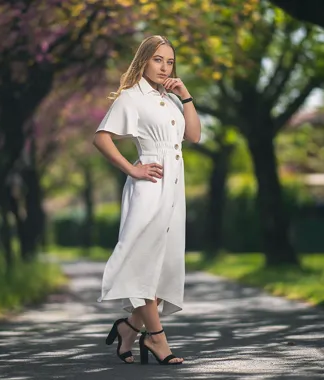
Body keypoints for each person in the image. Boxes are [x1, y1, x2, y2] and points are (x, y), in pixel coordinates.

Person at [93, 35, 201, 365]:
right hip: (149, 188)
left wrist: (185, 96)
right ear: (144, 60)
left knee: (160, 266)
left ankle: (128, 330)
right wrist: (132, 169)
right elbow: (101, 137)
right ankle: (157, 340)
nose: (164, 67)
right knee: (141, 262)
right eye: (158, 60)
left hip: (174, 189)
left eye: (170, 61)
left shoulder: (169, 100)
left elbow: (194, 135)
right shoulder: (131, 97)